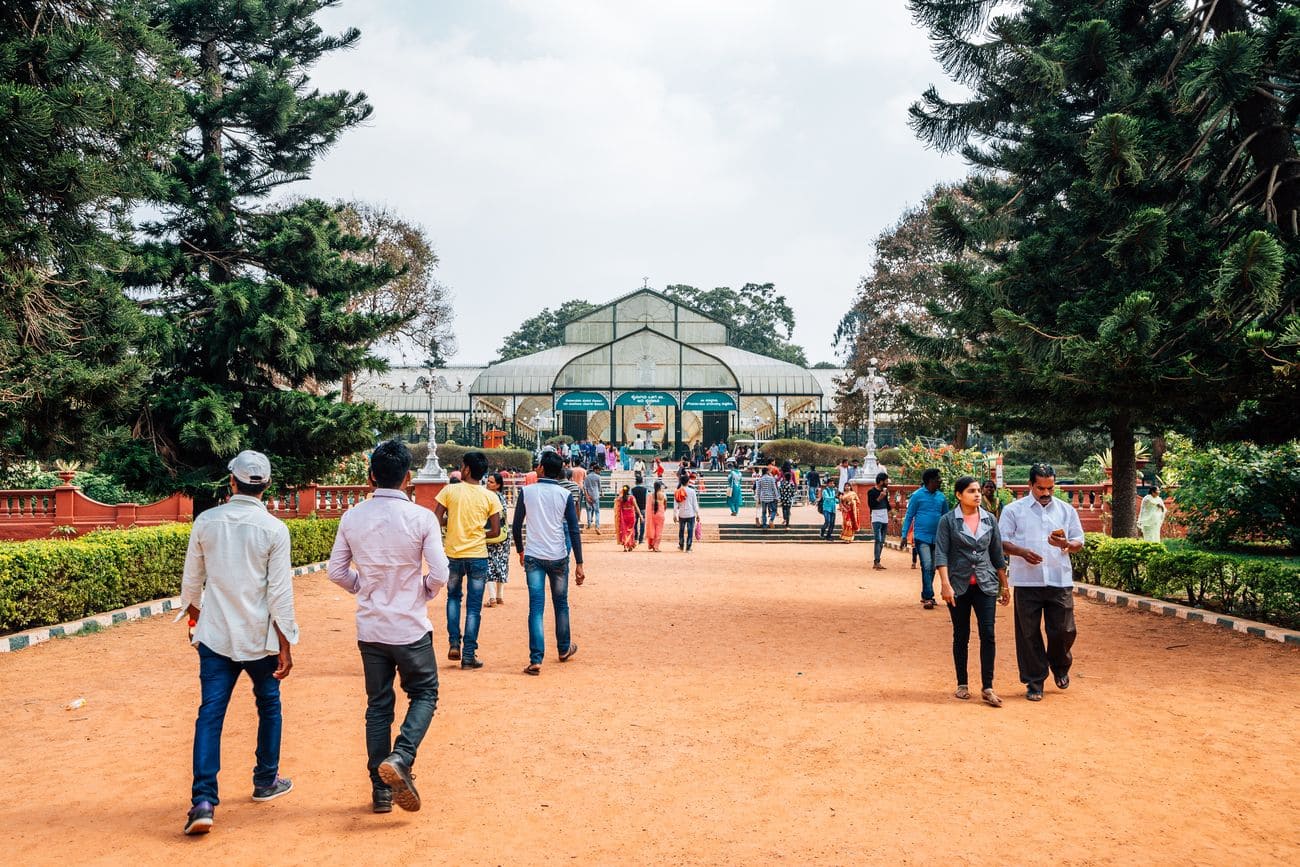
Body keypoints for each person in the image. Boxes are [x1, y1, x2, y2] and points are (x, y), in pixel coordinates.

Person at [180, 451, 299, 835]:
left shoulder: (206, 522)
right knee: (269, 705)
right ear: (266, 486)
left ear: (231, 482)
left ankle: (202, 800)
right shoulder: (274, 530)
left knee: (210, 714)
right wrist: (286, 643)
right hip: (260, 638)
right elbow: (280, 595)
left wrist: (197, 622)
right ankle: (266, 780)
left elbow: (191, 584)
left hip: (215, 635)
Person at [327, 440, 448, 814]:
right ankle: (402, 756)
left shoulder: (352, 516)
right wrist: (423, 591)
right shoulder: (422, 517)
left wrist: (361, 586)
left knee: (378, 707)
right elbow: (440, 573)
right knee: (425, 693)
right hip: (410, 627)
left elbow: (336, 571)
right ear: (408, 478)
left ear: (370, 477)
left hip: (371, 629)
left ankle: (381, 792)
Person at [998, 463, 1084, 702]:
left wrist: (1065, 544)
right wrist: (1022, 552)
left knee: (1064, 629)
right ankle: (1034, 681)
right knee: (1028, 633)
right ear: (1030, 485)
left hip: (1059, 578)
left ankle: (1060, 665)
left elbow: (1079, 541)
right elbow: (1001, 541)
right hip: (1027, 581)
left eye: (1050, 488)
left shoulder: (1066, 511)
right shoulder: (1014, 511)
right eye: (1040, 488)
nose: (1046, 493)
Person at [935, 475, 1011, 708]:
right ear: (959, 495)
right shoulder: (948, 521)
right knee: (961, 634)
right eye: (971, 491)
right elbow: (941, 554)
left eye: (978, 490)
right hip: (958, 585)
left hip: (986, 584)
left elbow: (997, 555)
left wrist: (1004, 585)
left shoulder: (989, 519)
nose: (977, 494)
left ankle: (988, 686)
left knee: (988, 633)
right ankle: (962, 684)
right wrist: (945, 584)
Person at [513, 451, 585, 676]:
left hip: (534, 556)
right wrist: (580, 563)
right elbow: (574, 529)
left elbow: (516, 526)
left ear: (542, 468)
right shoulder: (565, 495)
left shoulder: (526, 492)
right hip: (558, 556)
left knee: (536, 607)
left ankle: (536, 659)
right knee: (561, 604)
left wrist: (521, 550)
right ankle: (564, 648)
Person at [433, 451, 502, 670]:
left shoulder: (450, 491)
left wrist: (451, 522)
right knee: (473, 608)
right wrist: (480, 534)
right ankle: (469, 654)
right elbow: (496, 530)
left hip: (453, 555)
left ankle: (454, 643)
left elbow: (435, 518)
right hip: (478, 557)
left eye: (462, 466)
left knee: (453, 598)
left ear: (467, 469)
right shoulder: (489, 496)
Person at [901, 468, 947, 610]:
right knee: (927, 565)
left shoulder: (941, 497)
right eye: (937, 478)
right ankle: (929, 597)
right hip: (922, 537)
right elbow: (909, 516)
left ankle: (924, 593)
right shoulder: (917, 496)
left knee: (933, 567)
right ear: (930, 481)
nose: (940, 480)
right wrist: (904, 535)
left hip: (938, 538)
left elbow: (946, 517)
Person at [484, 472, 511, 607]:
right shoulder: (502, 497)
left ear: (498, 485)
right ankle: (499, 596)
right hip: (503, 535)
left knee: (488, 565)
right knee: (501, 564)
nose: (488, 483)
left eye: (491, 482)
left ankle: (493, 597)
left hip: (489, 534)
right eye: (488, 481)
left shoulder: (488, 497)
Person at [867, 472, 890, 570]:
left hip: (884, 516)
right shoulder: (871, 491)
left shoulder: (885, 491)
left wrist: (892, 512)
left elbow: (887, 504)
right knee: (878, 539)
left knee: (882, 541)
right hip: (876, 516)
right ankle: (876, 561)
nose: (887, 482)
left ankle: (878, 560)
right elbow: (871, 505)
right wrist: (880, 497)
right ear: (881, 481)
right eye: (885, 480)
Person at [615, 484, 641, 551]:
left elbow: (617, 505)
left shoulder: (620, 498)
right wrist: (640, 515)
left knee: (624, 531)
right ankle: (629, 545)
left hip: (624, 515)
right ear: (629, 490)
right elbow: (636, 507)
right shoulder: (631, 497)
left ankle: (626, 546)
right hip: (631, 515)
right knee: (631, 530)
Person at [676, 476, 699, 552]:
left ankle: (681, 545)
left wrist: (674, 514)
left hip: (681, 514)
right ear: (688, 482)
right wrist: (697, 514)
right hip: (690, 513)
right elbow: (694, 503)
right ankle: (688, 547)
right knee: (690, 530)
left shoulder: (678, 491)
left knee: (681, 530)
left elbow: (675, 504)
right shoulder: (692, 491)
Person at [646, 481, 667, 551]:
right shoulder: (662, 495)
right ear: (660, 487)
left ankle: (651, 544)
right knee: (659, 530)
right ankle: (656, 546)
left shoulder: (651, 495)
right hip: (660, 514)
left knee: (653, 529)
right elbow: (665, 505)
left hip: (652, 514)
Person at [582, 467, 603, 533]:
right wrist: (602, 493)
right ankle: (597, 526)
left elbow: (584, 488)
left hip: (589, 495)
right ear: (595, 470)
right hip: (596, 495)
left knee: (589, 510)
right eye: (599, 470)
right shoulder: (598, 477)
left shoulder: (587, 477)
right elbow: (600, 486)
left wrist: (587, 496)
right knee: (597, 511)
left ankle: (589, 524)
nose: (600, 472)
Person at [630, 472, 649, 544]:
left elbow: (631, 499)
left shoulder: (632, 490)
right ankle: (641, 539)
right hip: (643, 508)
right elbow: (647, 499)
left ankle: (635, 537)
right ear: (642, 481)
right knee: (642, 524)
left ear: (635, 482)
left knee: (634, 523)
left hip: (634, 509)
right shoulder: (645, 490)